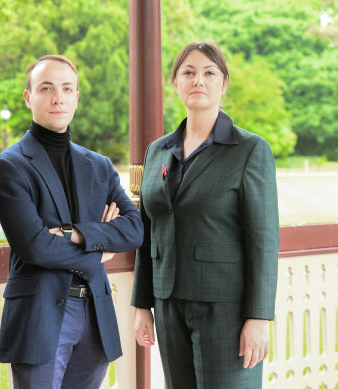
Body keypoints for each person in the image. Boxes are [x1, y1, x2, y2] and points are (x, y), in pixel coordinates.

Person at [0, 54, 144, 389]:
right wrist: (100, 248)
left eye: (66, 88)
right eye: (46, 88)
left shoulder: (99, 165)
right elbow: (35, 247)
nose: (58, 97)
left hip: (95, 314)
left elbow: (133, 228)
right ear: (29, 97)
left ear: (76, 97)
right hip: (41, 315)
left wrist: (74, 233)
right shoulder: (9, 167)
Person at [131, 41, 279, 389]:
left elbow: (263, 240)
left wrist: (258, 317)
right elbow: (147, 232)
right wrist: (142, 305)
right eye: (189, 72)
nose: (199, 80)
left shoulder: (250, 150)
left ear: (223, 83)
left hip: (225, 308)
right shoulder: (157, 151)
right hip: (168, 306)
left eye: (209, 73)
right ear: (176, 84)